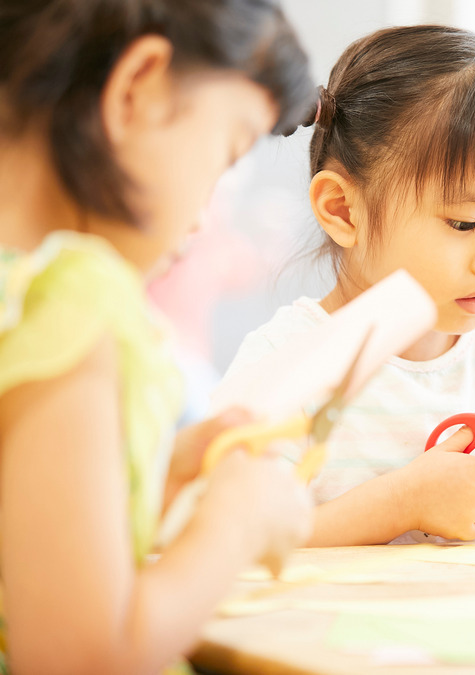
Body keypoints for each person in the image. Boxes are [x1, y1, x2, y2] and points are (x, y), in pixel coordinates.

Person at [217, 25, 475, 546]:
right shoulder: (286, 363)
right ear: (343, 210)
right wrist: (402, 502)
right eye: (464, 223)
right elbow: (236, 548)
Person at [0, 1, 317, 672]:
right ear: (138, 88)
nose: (204, 217)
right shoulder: (71, 299)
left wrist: (155, 474)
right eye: (224, 157)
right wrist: (236, 522)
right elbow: (83, 659)